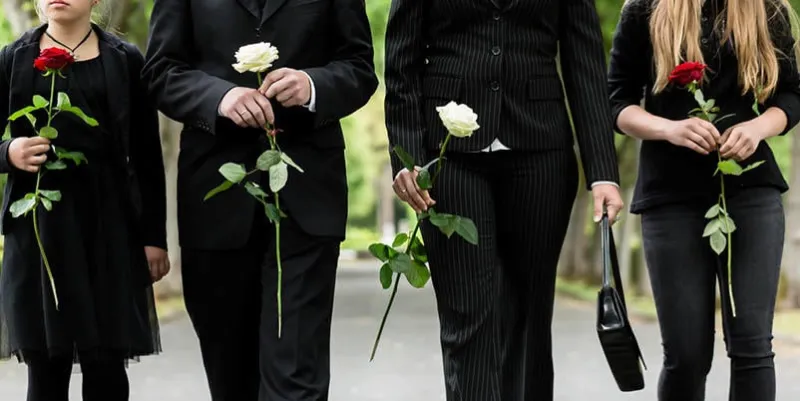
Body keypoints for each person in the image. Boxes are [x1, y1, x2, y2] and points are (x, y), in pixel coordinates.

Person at [384, 1, 624, 400]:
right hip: (447, 158)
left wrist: (602, 171)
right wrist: (407, 157)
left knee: (529, 314)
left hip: (541, 150)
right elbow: (400, 61)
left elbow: (585, 61)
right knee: (467, 314)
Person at [141, 0, 377, 400]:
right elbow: (161, 72)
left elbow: (359, 67)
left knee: (297, 377)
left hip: (309, 200)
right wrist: (219, 98)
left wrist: (312, 85)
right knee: (231, 377)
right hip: (214, 201)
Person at [608, 0, 800, 400]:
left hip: (751, 193)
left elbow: (791, 95)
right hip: (669, 198)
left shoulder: (769, 9)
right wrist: (669, 129)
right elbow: (616, 102)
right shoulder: (645, 9)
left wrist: (758, 128)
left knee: (752, 347)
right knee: (686, 354)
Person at [0, 1, 169, 400]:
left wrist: (154, 236)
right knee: (45, 371)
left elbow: (146, 155)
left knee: (108, 368)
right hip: (38, 231)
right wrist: (8, 152)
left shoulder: (125, 59)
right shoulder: (12, 59)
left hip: (110, 230)